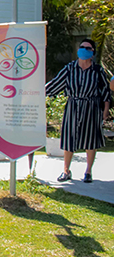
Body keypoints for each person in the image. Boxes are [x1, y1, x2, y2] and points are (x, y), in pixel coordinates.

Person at [46, 38, 111, 183]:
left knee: (90, 139)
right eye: (82, 47)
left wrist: (105, 110)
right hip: (73, 105)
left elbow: (105, 92)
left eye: (87, 48)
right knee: (69, 137)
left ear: (92, 52)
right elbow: (56, 83)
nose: (83, 50)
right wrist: (38, 92)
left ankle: (88, 171)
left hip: (91, 106)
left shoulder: (97, 71)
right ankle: (66, 170)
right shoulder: (70, 68)